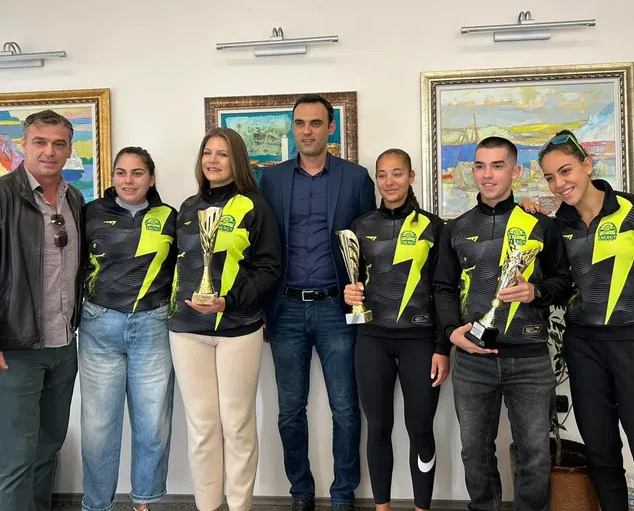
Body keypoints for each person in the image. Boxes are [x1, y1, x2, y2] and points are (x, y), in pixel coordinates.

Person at [537, 130, 634, 511]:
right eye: (550, 178)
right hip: (584, 349)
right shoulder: (558, 226)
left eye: (565, 171)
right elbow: (558, 286)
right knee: (602, 459)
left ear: (587, 164)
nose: (559, 184)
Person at [0, 110, 84, 511]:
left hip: (63, 349)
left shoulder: (75, 200)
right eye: (40, 142)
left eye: (59, 143)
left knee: (47, 449)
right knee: (16, 456)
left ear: (69, 150)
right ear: (24, 145)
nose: (49, 151)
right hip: (12, 350)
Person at [432, 136, 572, 511]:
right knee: (474, 453)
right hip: (473, 360)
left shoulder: (540, 225)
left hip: (529, 359)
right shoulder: (455, 228)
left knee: (535, 455)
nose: (487, 174)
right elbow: (442, 287)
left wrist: (535, 292)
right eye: (480, 166)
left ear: (515, 171)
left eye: (497, 165)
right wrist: (451, 332)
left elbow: (563, 282)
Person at [259, 94, 376, 511]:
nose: (306, 131)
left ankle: (343, 494)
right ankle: (301, 492)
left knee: (345, 408)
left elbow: (370, 240)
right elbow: (261, 243)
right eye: (299, 123)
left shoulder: (356, 178)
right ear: (293, 128)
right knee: (290, 410)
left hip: (336, 309)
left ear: (331, 127)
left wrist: (360, 291)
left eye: (315, 123)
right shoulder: (271, 180)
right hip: (286, 309)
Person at [168, 127, 281, 511]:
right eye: (207, 153)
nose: (212, 160)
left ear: (237, 161)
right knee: (202, 427)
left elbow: (269, 269)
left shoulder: (254, 206)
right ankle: (207, 506)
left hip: (237, 329)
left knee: (237, 425)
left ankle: (240, 506)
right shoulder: (187, 208)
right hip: (187, 331)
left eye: (222, 154)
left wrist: (228, 302)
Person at [342, 149, 449, 511]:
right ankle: (382, 508)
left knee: (420, 429)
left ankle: (422, 508)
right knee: (378, 428)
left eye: (397, 173)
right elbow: (353, 284)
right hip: (372, 339)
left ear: (411, 176)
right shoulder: (360, 227)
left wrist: (442, 347)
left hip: (421, 341)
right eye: (382, 175)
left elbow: (443, 290)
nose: (389, 182)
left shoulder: (434, 227)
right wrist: (349, 294)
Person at [79, 147, 176, 511]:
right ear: (112, 177)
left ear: (151, 179)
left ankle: (144, 502)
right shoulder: (91, 212)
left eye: (137, 173)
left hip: (152, 327)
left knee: (153, 424)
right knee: (98, 427)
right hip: (99, 326)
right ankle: (96, 505)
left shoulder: (170, 217)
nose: (128, 180)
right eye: (121, 172)